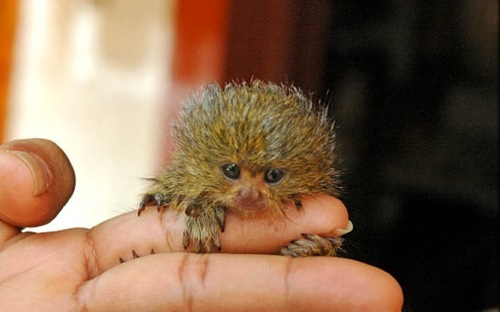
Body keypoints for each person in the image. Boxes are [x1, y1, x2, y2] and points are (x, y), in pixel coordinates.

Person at [0, 138, 403, 311]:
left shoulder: (303, 221)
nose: (249, 193)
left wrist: (314, 248)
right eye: (232, 172)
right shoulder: (181, 196)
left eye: (272, 177)